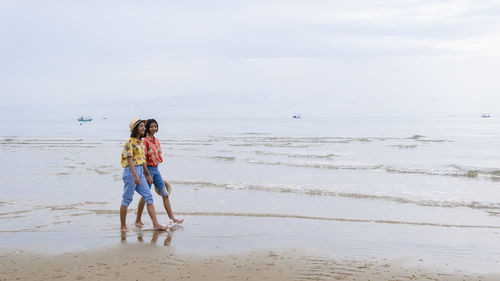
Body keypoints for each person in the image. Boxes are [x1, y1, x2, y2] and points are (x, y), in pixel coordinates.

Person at [120, 118, 168, 232]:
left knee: (149, 197)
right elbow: (130, 160)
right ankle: (123, 226)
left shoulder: (140, 142)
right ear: (135, 128)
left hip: (140, 171)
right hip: (130, 172)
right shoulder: (129, 142)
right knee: (127, 199)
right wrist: (135, 176)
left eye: (143, 126)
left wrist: (147, 174)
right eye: (141, 126)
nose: (143, 128)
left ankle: (156, 224)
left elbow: (142, 160)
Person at [135, 119, 184, 226]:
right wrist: (146, 173)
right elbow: (142, 158)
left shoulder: (156, 140)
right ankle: (138, 219)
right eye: (152, 126)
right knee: (145, 196)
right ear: (147, 128)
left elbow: (157, 156)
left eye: (155, 126)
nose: (154, 128)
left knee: (165, 194)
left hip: (156, 170)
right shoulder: (145, 141)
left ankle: (172, 218)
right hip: (147, 170)